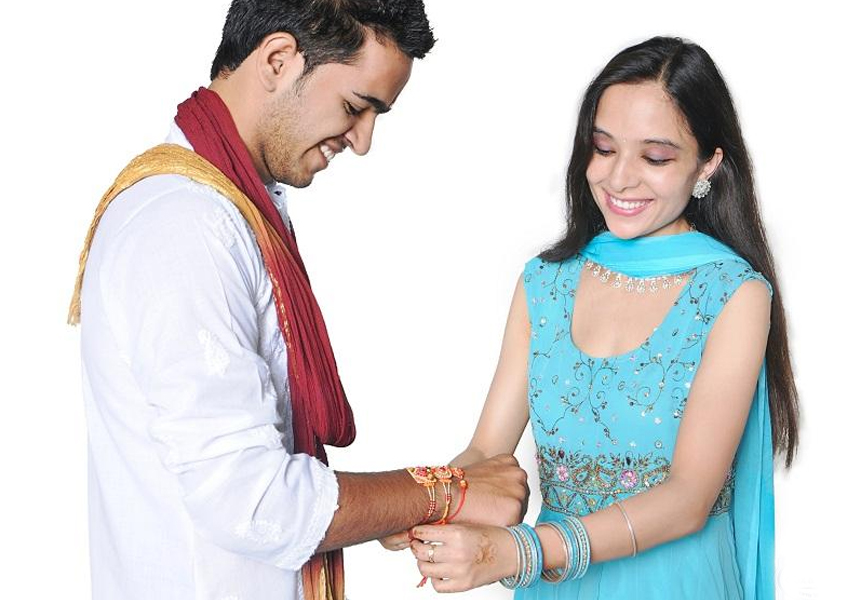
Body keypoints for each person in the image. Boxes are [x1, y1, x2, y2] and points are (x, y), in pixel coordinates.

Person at [66, 2, 528, 599]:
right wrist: (442, 490)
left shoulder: (230, 207)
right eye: (356, 107)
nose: (362, 141)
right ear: (279, 60)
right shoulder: (187, 225)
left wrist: (416, 500)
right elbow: (252, 502)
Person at [392, 36, 800, 599]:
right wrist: (427, 502)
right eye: (604, 148)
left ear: (709, 163)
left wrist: (522, 551)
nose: (619, 178)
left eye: (655, 158)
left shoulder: (732, 293)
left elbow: (688, 497)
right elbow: (488, 452)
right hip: (557, 584)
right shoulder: (545, 282)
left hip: (673, 582)